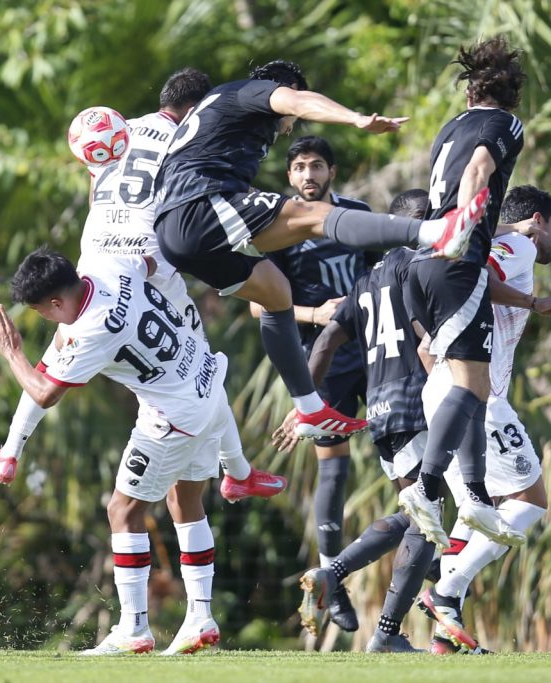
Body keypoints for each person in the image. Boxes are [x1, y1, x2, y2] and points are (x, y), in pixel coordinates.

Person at [154, 59, 491, 443]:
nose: (290, 126)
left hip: (174, 231)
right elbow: (298, 103)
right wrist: (356, 119)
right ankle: (435, 232)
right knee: (314, 214)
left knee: (275, 293)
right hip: (198, 209)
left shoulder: (220, 117)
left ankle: (309, 407)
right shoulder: (250, 92)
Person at [0, 248, 247, 656]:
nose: (46, 320)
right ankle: (200, 616)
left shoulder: (93, 329)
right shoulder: (105, 264)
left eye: (42, 312)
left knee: (122, 512)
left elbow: (45, 393)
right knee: (184, 501)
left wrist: (12, 352)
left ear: (56, 303)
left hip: (173, 417)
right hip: (207, 384)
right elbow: (154, 262)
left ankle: (134, 628)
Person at [76, 66, 287, 502]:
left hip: (98, 264)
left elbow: (97, 191)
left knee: (196, 368)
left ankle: (237, 472)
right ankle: (236, 471)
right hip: (151, 266)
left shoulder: (119, 130)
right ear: (196, 109)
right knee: (197, 369)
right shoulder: (186, 137)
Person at [418, 185, 551, 653]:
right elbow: (478, 277)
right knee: (531, 500)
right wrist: (534, 303)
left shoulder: (489, 241)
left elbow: (426, 346)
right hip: (477, 398)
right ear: (538, 221)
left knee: (474, 511)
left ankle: (445, 636)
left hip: (442, 393)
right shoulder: (520, 245)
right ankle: (446, 591)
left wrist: (448, 384)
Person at [286, 190, 437, 652]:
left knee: (418, 514)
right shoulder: (417, 265)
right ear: (421, 221)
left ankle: (342, 580)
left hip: (380, 409)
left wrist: (305, 403)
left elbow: (325, 342)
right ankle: (378, 622)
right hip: (416, 403)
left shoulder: (365, 280)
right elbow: (426, 338)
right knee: (425, 519)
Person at [399, 36, 530, 552]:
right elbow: (478, 169)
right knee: (474, 387)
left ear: (469, 90)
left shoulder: (448, 127)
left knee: (471, 383)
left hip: (424, 264)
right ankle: (428, 488)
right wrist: (466, 223)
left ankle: (474, 496)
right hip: (457, 262)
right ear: (511, 94)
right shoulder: (506, 125)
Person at [249, 135, 379, 631]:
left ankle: (428, 552)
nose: (309, 174)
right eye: (300, 166)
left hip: (375, 348)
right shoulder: (278, 226)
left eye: (317, 165)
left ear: (332, 171)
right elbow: (258, 304)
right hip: (323, 358)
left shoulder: (355, 214)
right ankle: (332, 580)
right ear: (289, 176)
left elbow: (382, 272)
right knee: (334, 469)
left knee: (404, 455)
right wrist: (314, 313)